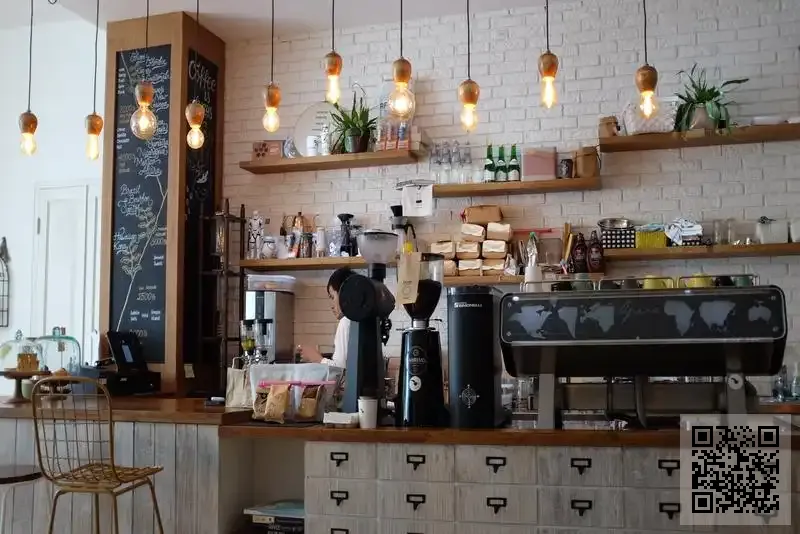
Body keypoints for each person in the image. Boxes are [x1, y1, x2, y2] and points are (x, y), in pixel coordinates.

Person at [297, 267, 354, 368]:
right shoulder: (360, 320)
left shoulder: (346, 322)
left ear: (344, 294)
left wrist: (316, 358)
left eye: (332, 297)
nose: (331, 305)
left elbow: (339, 370)